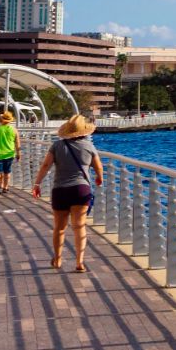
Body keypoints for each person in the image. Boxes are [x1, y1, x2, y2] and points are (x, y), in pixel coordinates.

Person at [31, 114, 102, 271]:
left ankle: (57, 259)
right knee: (79, 226)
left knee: (59, 227)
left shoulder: (57, 146)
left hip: (60, 190)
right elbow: (98, 167)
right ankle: (79, 262)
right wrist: (99, 178)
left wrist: (37, 183)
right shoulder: (89, 146)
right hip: (81, 189)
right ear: (84, 131)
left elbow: (45, 166)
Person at [0, 108, 19, 195]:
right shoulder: (14, 130)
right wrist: (18, 153)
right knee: (7, 171)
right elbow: (17, 142)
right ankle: (5, 187)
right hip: (9, 153)